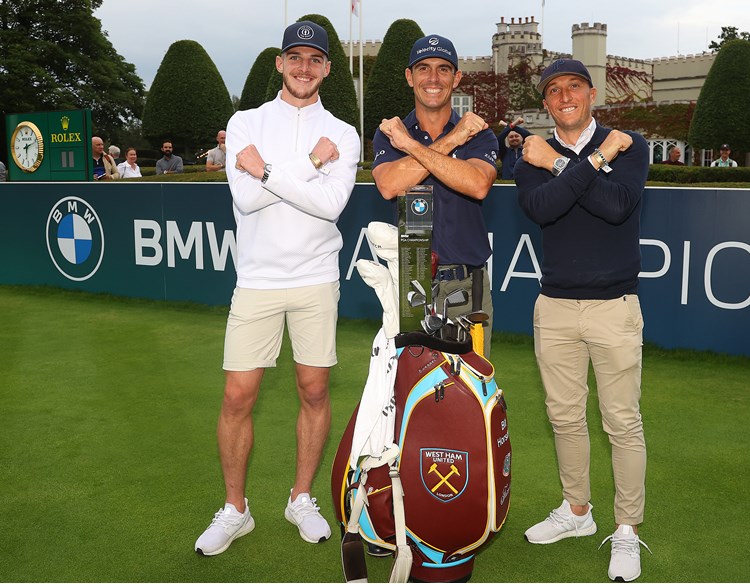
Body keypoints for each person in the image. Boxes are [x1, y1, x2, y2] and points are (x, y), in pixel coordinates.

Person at [193, 20, 359, 557]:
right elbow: (246, 201)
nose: (304, 67)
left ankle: (301, 497)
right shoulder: (245, 122)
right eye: (295, 57)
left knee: (314, 390)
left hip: (315, 277)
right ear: (280, 63)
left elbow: (329, 208)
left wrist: (267, 173)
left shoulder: (343, 132)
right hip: (258, 279)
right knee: (237, 395)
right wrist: (311, 164)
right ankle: (235, 509)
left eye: (315, 59)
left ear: (327, 68)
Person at [515, 59, 651, 583]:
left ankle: (626, 531)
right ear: (547, 103)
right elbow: (544, 209)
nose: (564, 95)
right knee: (565, 418)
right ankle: (577, 512)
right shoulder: (533, 154)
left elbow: (617, 206)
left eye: (573, 86)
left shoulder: (630, 143)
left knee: (623, 422)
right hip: (554, 306)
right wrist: (579, 162)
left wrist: (571, 162)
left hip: (614, 306)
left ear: (591, 94)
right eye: (554, 90)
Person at [372, 34, 499, 356]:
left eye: (443, 69)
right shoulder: (391, 131)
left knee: (468, 392)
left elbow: (477, 184)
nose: (433, 78)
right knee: (410, 391)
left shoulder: (478, 132)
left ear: (456, 78)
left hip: (466, 285)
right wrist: (452, 139)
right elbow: (389, 185)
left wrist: (411, 148)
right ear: (409, 76)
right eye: (423, 68)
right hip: (411, 281)